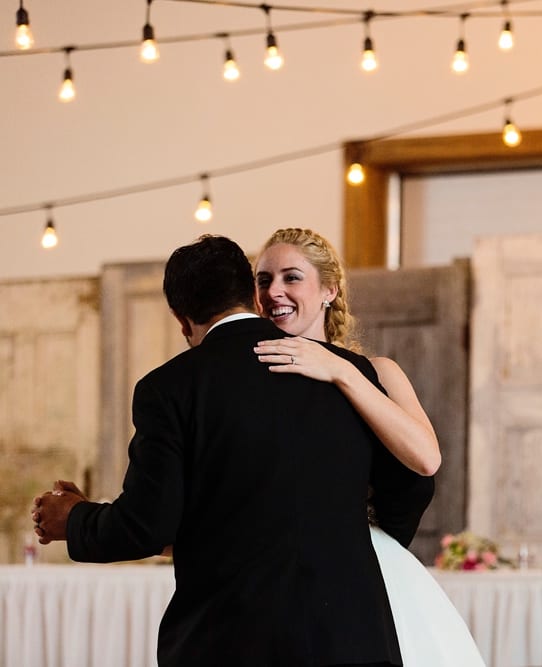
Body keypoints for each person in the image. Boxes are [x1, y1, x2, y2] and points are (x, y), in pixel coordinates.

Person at [31, 234, 433, 667]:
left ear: (180, 319)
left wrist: (73, 519)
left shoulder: (170, 388)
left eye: (292, 277)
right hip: (352, 637)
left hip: (230, 639)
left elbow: (149, 524)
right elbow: (412, 485)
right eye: (266, 279)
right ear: (251, 294)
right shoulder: (353, 374)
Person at [252, 227, 486, 667]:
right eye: (264, 280)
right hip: (270, 572)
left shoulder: (377, 371)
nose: (274, 291)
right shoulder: (248, 376)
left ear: (328, 290)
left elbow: (425, 457)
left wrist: (341, 372)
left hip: (366, 568)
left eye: (291, 277)